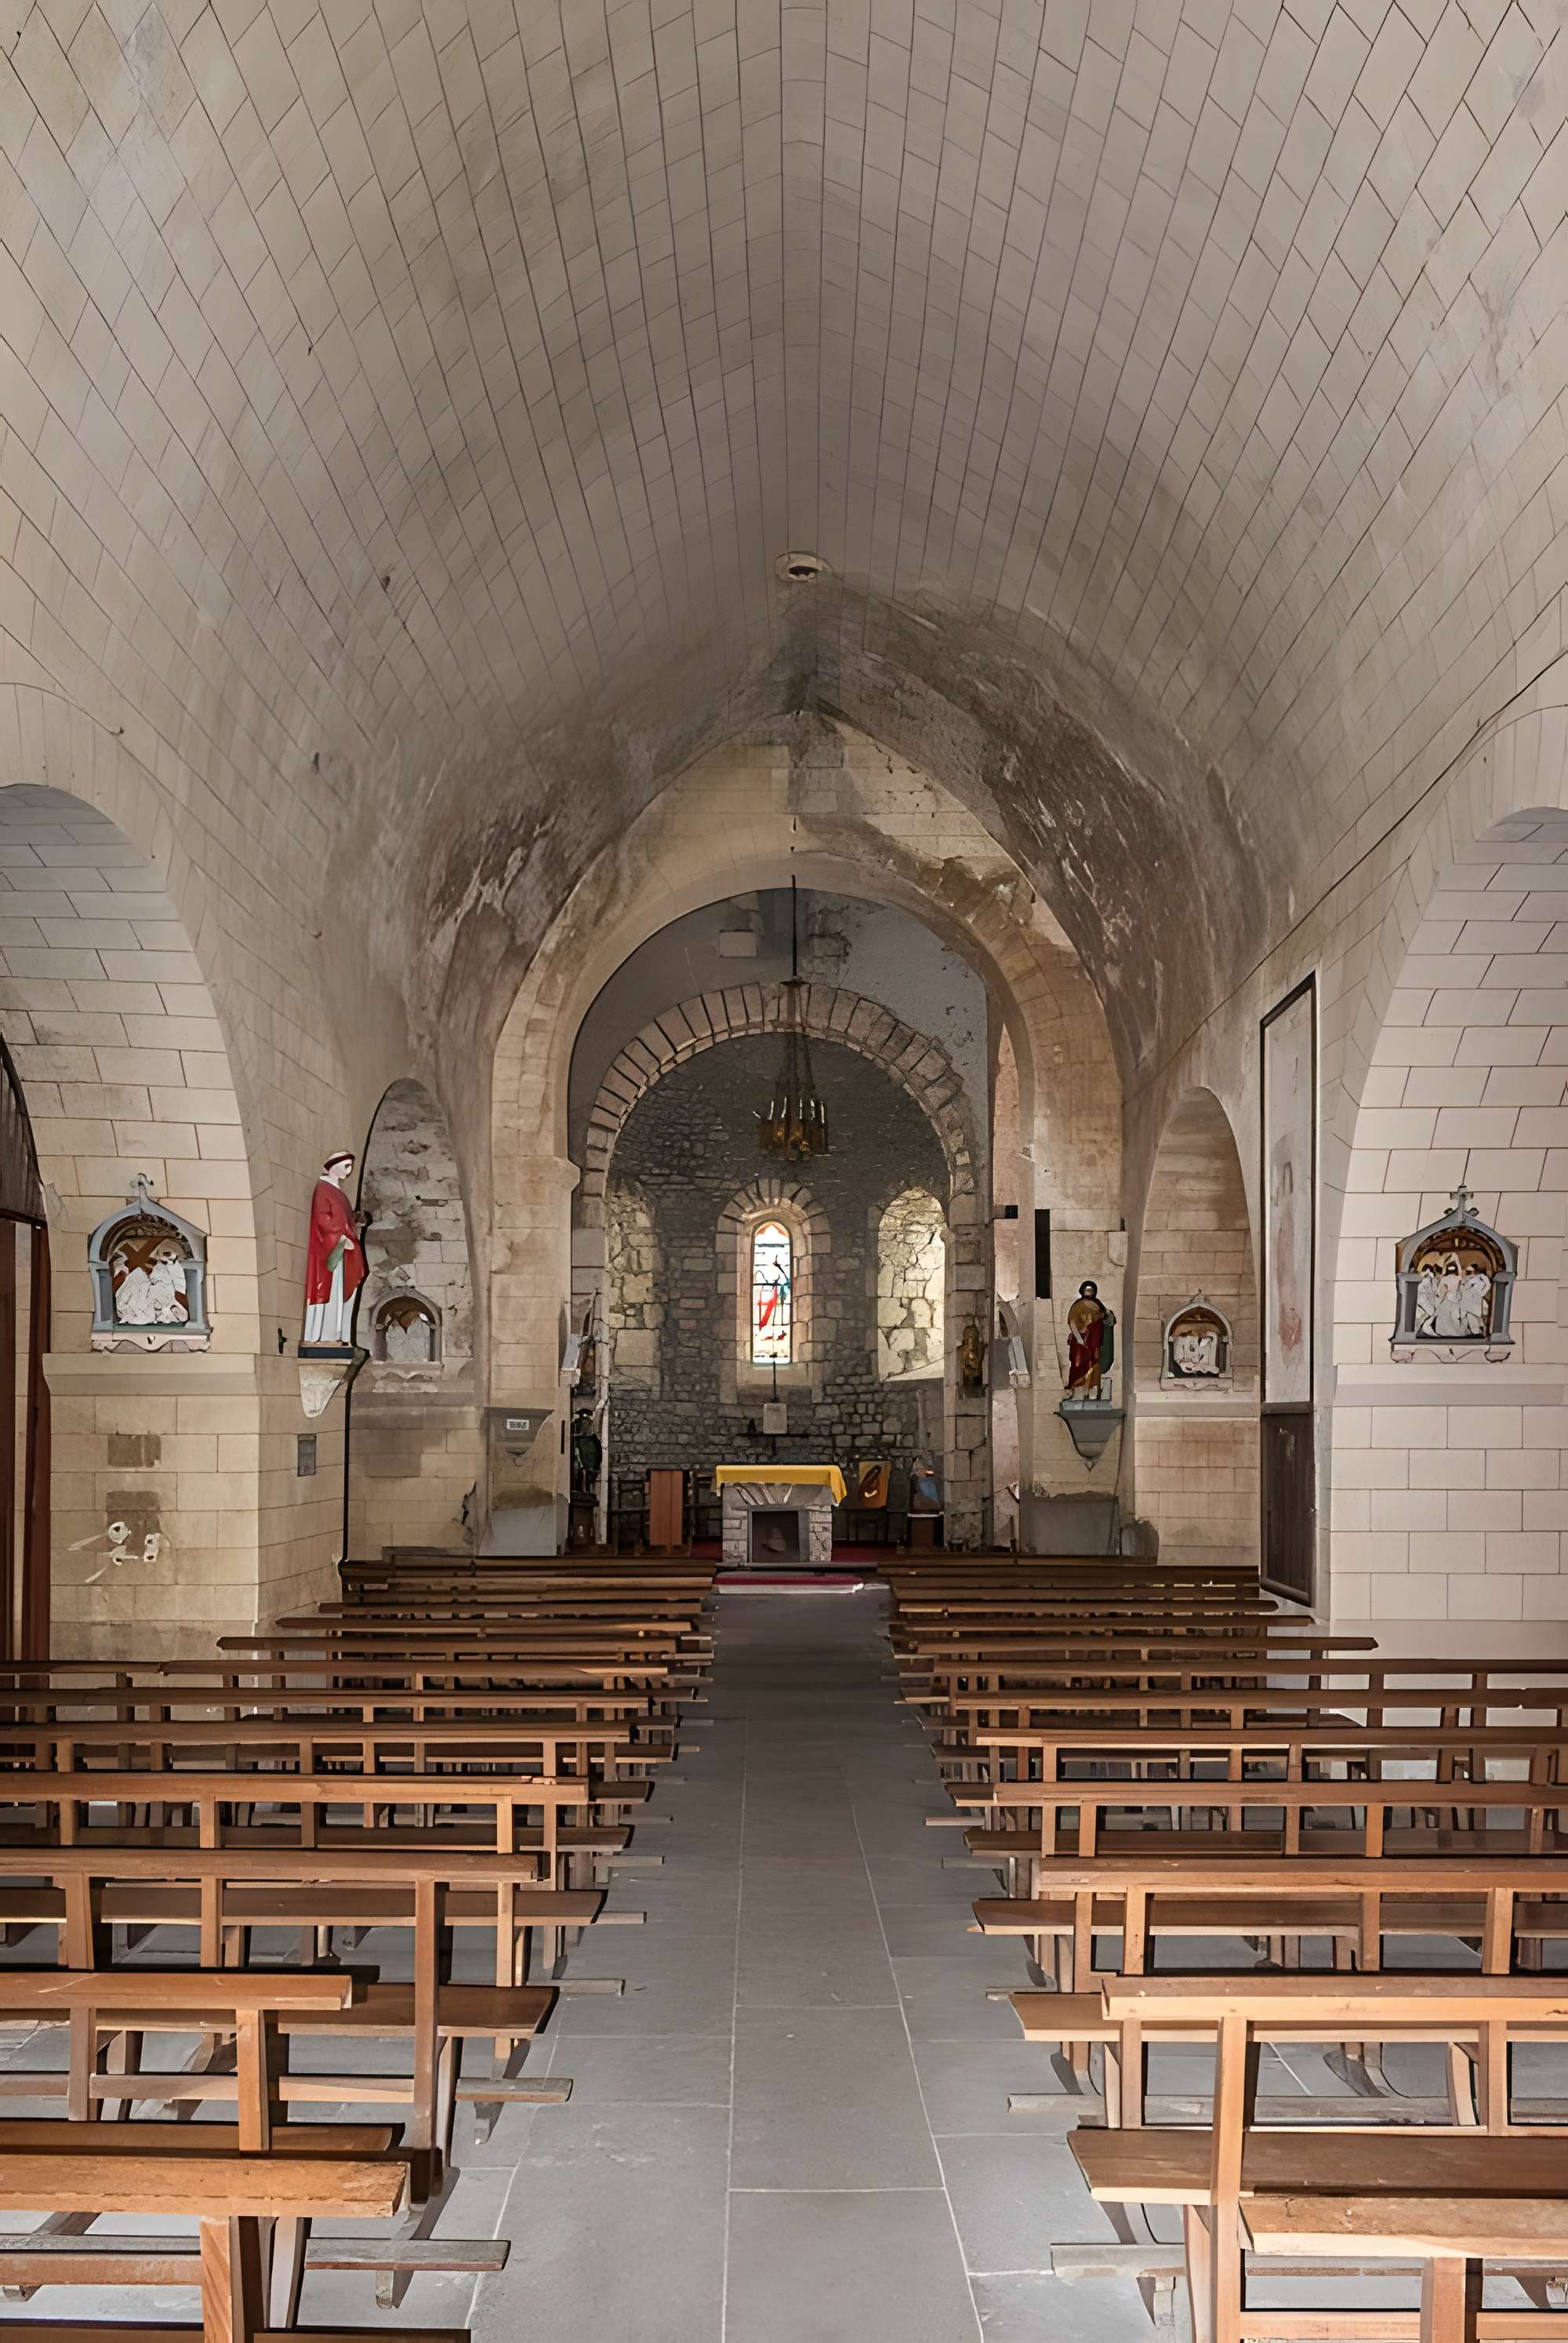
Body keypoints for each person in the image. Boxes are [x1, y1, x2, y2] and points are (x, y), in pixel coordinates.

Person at [303, 1151, 365, 1346]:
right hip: (333, 1249)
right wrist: (340, 1236)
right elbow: (322, 1218)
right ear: (333, 1166)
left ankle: (339, 1333)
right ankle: (324, 1335)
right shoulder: (323, 1189)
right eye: (346, 1166)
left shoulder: (338, 1193)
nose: (349, 1170)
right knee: (332, 1290)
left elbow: (343, 1219)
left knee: (342, 1292)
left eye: (350, 1166)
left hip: (344, 1248)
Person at [1065, 1280, 1112, 1397]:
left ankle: (1091, 1389)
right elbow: (1072, 1323)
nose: (1089, 1292)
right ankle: (1077, 1388)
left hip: (1094, 1341)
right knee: (1079, 1364)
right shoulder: (1077, 1306)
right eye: (1087, 1290)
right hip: (1080, 1342)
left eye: (1091, 1290)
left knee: (1095, 1363)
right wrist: (1079, 1339)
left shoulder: (1098, 1305)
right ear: (1082, 1291)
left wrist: (1109, 1316)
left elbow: (1107, 1319)